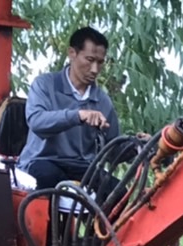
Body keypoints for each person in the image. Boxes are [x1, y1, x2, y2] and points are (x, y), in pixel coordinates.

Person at [19, 27, 120, 189]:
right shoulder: (44, 85)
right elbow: (36, 122)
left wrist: (139, 146)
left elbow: (113, 150)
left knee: (118, 191)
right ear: (72, 53)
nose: (95, 69)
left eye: (100, 62)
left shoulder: (103, 101)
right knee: (50, 178)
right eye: (90, 60)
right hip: (43, 161)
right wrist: (78, 116)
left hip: (82, 167)